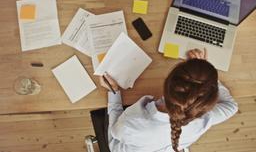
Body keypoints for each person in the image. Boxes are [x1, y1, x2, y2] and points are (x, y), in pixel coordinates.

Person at [100, 49, 238, 152]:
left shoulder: (132, 123)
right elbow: (232, 107)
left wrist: (114, 92)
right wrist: (207, 78)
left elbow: (113, 141)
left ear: (167, 82)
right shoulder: (204, 120)